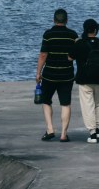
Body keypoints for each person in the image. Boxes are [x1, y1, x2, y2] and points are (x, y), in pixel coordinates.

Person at [35, 8, 78, 142]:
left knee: (46, 101)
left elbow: (43, 55)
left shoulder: (48, 34)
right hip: (67, 75)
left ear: (54, 20)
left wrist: (38, 73)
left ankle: (50, 129)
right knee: (65, 103)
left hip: (49, 75)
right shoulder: (73, 35)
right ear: (66, 20)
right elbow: (76, 54)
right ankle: (64, 134)